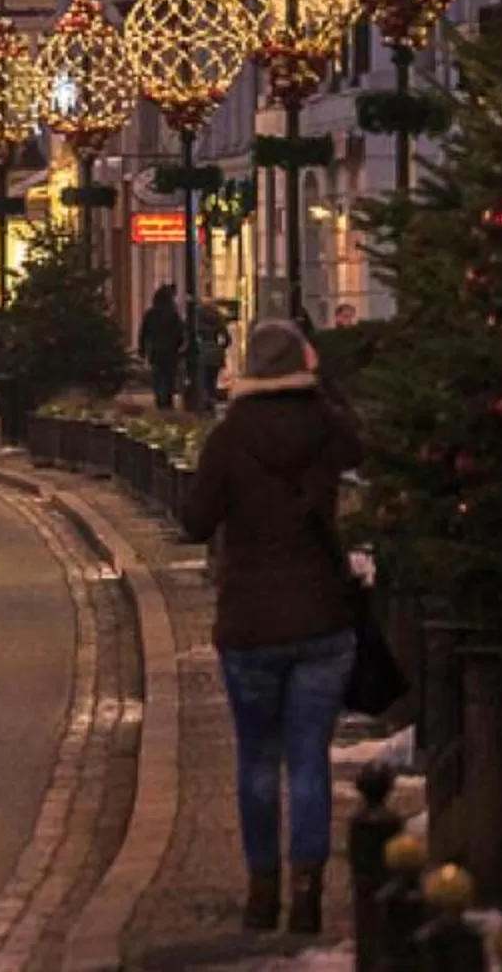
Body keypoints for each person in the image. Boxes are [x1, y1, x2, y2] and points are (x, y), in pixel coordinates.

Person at [181, 320, 365, 937]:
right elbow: (362, 446)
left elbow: (195, 521)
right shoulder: (326, 426)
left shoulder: (229, 439)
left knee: (257, 759)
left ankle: (262, 894)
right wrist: (326, 390)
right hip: (321, 618)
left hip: (251, 625)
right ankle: (309, 893)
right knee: (310, 756)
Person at [139, 283, 186, 412]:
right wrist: (181, 347)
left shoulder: (151, 314)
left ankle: (160, 398)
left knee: (158, 376)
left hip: (156, 350)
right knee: (169, 377)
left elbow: (144, 333)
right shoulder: (173, 314)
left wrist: (142, 350)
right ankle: (167, 399)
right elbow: (180, 333)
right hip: (171, 352)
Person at [187, 298, 231, 415]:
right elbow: (227, 339)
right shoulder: (219, 317)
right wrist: (220, 347)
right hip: (215, 353)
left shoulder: (197, 318)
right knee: (212, 380)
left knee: (202, 379)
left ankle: (205, 403)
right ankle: (211, 402)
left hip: (201, 352)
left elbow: (191, 335)